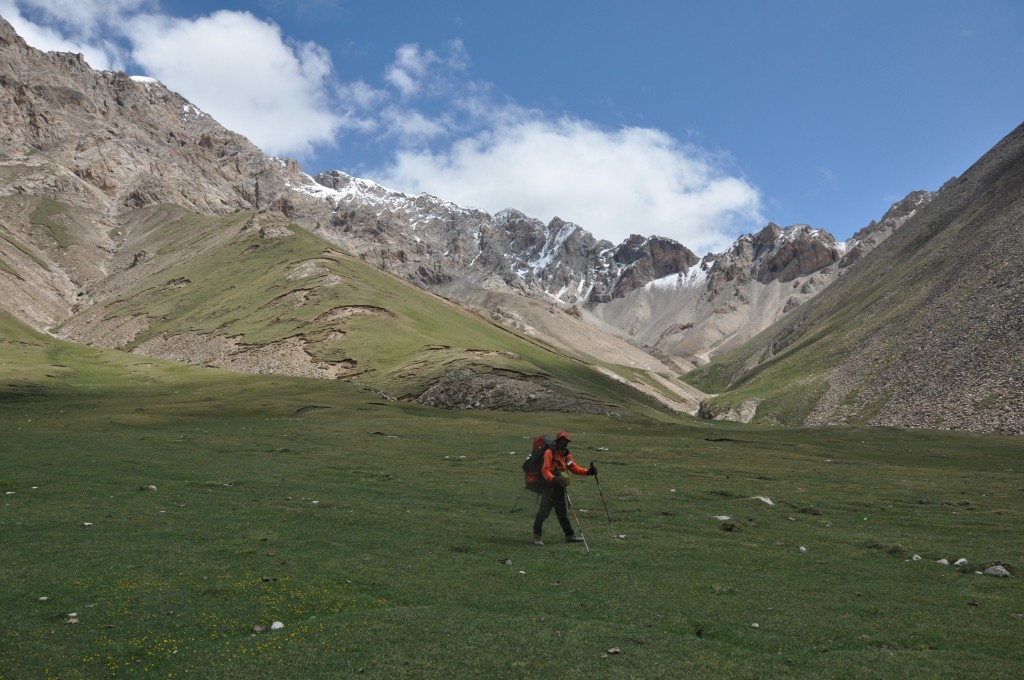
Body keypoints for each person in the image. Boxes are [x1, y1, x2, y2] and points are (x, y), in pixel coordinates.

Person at [527, 431, 597, 546]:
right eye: (562, 441)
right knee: (544, 512)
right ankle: (537, 535)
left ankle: (569, 535)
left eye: (566, 441)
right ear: (558, 440)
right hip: (548, 487)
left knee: (562, 512)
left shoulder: (566, 454)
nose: (564, 443)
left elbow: (573, 467)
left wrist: (588, 472)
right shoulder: (549, 453)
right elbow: (545, 470)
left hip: (559, 487)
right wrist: (554, 479)